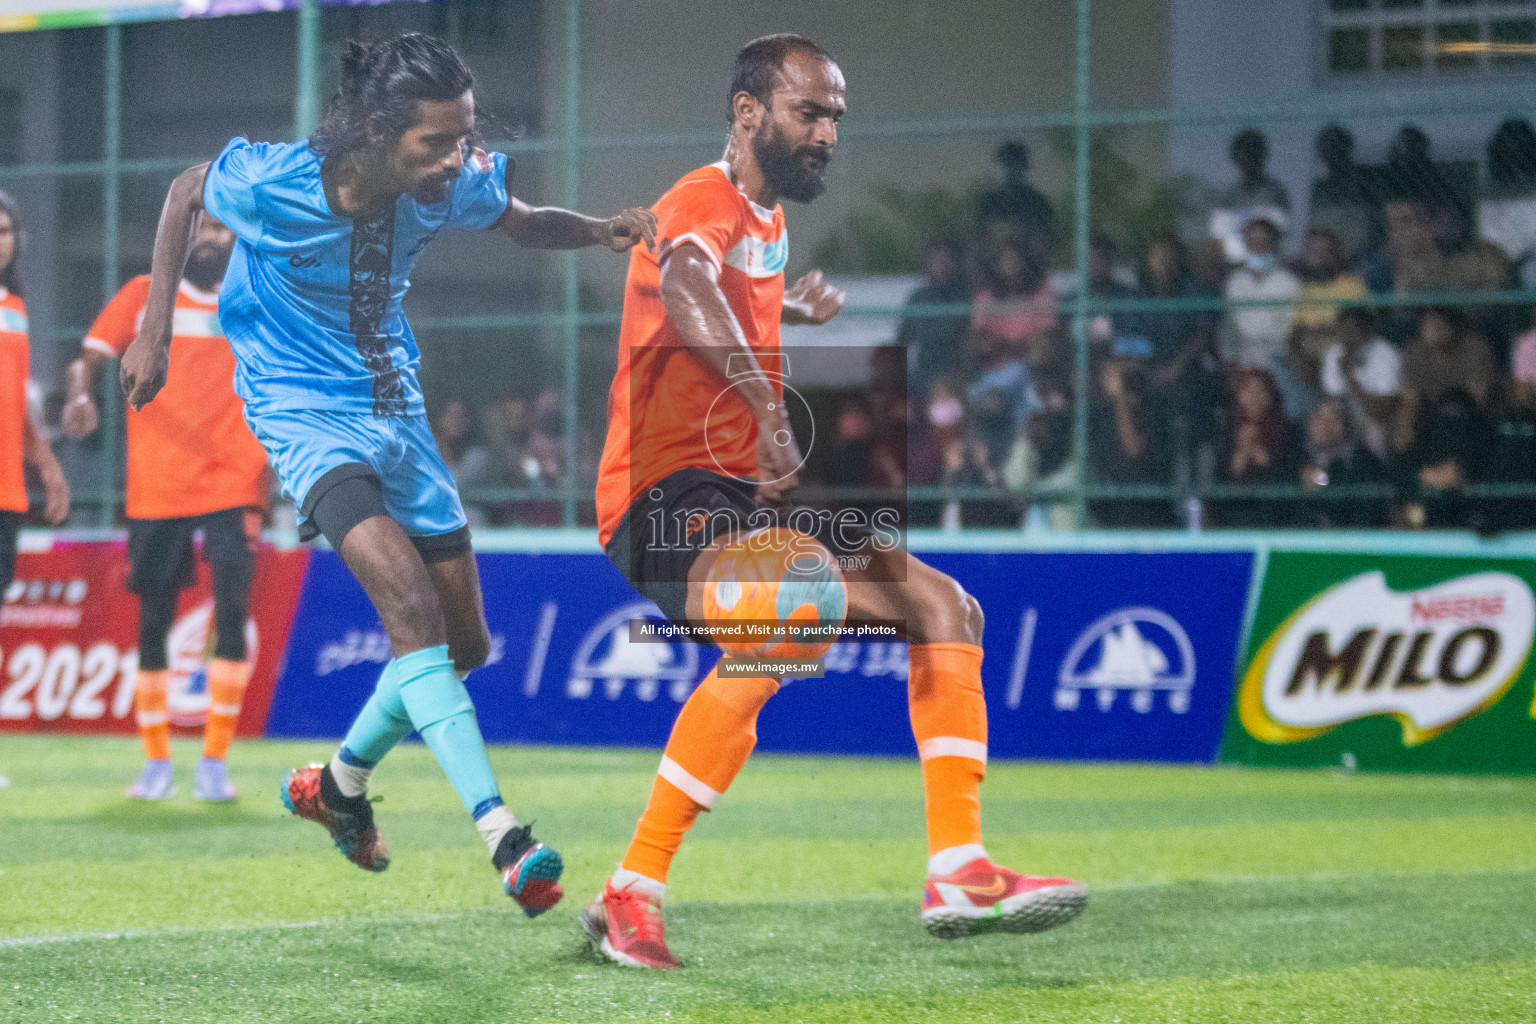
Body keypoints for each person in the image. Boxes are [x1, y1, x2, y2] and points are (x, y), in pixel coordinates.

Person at [119, 33, 655, 914]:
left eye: (464, 136)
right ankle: (504, 836)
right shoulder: (277, 183)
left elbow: (517, 218)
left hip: (396, 411)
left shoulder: (451, 182)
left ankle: (337, 787)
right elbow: (186, 190)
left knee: (465, 646)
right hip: (301, 413)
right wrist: (156, 331)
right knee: (410, 615)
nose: (457, 158)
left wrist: (601, 231)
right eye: (437, 142)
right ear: (375, 130)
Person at [581, 34, 1085, 970]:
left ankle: (961, 868)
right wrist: (768, 406)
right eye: (809, 113)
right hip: (661, 495)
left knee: (943, 606)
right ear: (747, 114)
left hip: (749, 495)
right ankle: (631, 890)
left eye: (835, 119)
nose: (827, 134)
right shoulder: (700, 200)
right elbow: (689, 285)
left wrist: (787, 321)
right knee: (796, 611)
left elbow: (729, 295)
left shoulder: (766, 227)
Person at [62, 215, 269, 802]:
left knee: (232, 614)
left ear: (237, 236)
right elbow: (90, 359)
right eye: (198, 226)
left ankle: (214, 762)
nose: (208, 237)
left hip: (236, 480)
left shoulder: (250, 300)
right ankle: (156, 763)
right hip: (158, 484)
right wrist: (80, 394)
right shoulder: (143, 296)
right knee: (153, 623)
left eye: (220, 228)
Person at [0, 191, 69, 601]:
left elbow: (18, 396)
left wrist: (46, 462)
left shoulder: (16, 309)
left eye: (5, 231)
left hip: (7, 488)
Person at [1217, 367, 1299, 528]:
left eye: (1261, 390)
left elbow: (1291, 476)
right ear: (1239, 395)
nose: (1254, 397)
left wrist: (1258, 452)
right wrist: (1241, 454)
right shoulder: (1227, 431)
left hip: (1276, 518)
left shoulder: (1287, 430)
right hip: (1232, 519)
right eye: (1248, 390)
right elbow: (1219, 480)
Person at [1319, 306, 1400, 461]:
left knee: (1374, 432)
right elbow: (1333, 397)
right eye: (1342, 329)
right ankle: (1326, 478)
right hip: (1346, 413)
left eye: (1351, 329)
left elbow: (1380, 410)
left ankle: (1379, 477)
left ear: (1367, 330)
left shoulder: (1385, 354)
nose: (1346, 336)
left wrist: (1349, 376)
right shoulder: (1336, 353)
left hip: (1379, 417)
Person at [1296, 398, 1386, 529]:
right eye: (1320, 417)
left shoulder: (1361, 458)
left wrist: (1322, 479)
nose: (1326, 425)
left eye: (1335, 419)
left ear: (1345, 425)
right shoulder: (1296, 455)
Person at [1290, 227, 1368, 377]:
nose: (1316, 257)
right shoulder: (1302, 289)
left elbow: (1355, 327)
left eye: (1323, 251)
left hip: (1345, 353)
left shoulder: (1351, 285)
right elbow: (1297, 330)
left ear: (1334, 254)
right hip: (1310, 356)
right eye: (1312, 251)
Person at [897, 237, 970, 392]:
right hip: (922, 372)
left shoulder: (966, 297)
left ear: (955, 263)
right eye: (936, 260)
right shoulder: (917, 298)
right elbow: (902, 339)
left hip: (955, 374)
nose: (941, 265)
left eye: (946, 259)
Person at [1309, 125, 1379, 263]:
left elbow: (1364, 236)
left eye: (1335, 150)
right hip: (1324, 257)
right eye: (1326, 151)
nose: (1331, 156)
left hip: (1360, 258)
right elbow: (1315, 229)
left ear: (1346, 151)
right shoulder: (1320, 189)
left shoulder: (1364, 184)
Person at [974, 140, 1056, 255]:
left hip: (1030, 262)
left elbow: (1045, 239)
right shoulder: (988, 201)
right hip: (993, 262)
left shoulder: (1038, 202)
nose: (1010, 170)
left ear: (1024, 168)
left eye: (1015, 164)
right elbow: (978, 236)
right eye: (1005, 164)